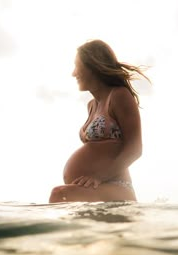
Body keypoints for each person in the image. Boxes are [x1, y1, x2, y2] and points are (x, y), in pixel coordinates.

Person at [49, 39, 150, 203]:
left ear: (92, 66)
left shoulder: (119, 96)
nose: (73, 73)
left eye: (76, 66)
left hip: (116, 187)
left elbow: (135, 149)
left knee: (59, 194)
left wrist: (99, 177)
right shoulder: (91, 106)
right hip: (98, 188)